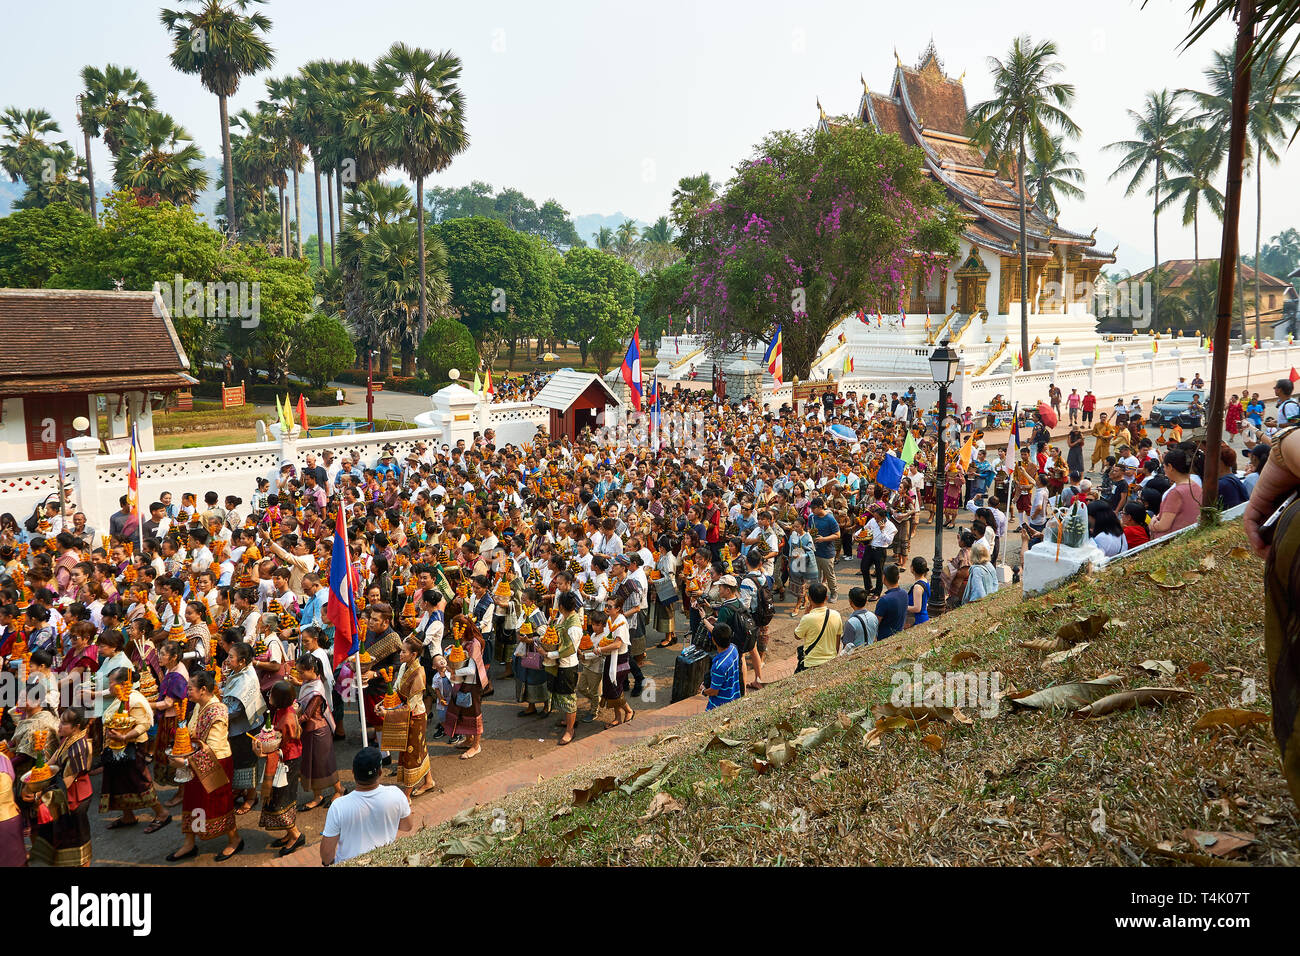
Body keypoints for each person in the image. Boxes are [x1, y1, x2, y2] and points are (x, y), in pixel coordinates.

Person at [167, 670, 243, 862]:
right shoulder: (199, 706)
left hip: (216, 763)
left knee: (218, 802)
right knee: (193, 801)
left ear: (202, 690)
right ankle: (189, 843)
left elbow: (215, 751)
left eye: (190, 688)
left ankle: (234, 839)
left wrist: (185, 761)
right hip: (196, 761)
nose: (186, 692)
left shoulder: (217, 711)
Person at [22, 709, 94, 867]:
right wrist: (37, 775)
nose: (59, 726)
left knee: (78, 841)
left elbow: (66, 782)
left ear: (76, 727)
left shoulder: (78, 748)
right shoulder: (68, 738)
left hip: (75, 798)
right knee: (65, 839)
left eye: (64, 723)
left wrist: (38, 794)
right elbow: (53, 759)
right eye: (60, 721)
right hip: (64, 794)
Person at [319, 747, 412, 866]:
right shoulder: (396, 794)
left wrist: (329, 863)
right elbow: (407, 826)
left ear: (353, 772)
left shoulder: (338, 806)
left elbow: (327, 852)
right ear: (380, 772)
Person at [375, 637, 436, 800]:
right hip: (404, 713)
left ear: (413, 654)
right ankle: (428, 781)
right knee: (418, 750)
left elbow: (410, 706)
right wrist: (384, 702)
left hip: (415, 717)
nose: (400, 654)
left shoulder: (419, 674)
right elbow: (395, 689)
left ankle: (407, 795)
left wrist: (387, 714)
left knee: (411, 753)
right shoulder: (403, 666)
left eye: (403, 651)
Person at [259, 680, 305, 856]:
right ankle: (289, 833)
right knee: (285, 797)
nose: (269, 696)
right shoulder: (285, 711)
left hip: (287, 761)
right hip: (288, 758)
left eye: (271, 694)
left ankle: (296, 834)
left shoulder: (286, 719)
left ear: (278, 699)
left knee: (280, 800)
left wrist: (264, 748)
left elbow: (279, 743)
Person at [295, 654, 343, 811]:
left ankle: (338, 790)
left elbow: (307, 715)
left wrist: (290, 720)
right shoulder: (310, 682)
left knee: (325, 764)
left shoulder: (315, 691)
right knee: (312, 765)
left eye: (301, 672)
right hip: (310, 732)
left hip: (318, 731)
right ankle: (318, 796)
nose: (300, 676)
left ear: (311, 670)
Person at [442, 616, 487, 759]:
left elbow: (471, 670)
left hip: (472, 684)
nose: (455, 631)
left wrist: (452, 671)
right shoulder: (463, 642)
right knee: (462, 711)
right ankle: (468, 740)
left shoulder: (474, 644)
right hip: (461, 683)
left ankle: (476, 745)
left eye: (457, 628)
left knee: (473, 713)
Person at [1150, 447, 1203, 539]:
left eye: (1164, 466)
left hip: (1173, 540)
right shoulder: (1195, 485)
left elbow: (1163, 526)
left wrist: (1152, 523)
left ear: (1170, 467)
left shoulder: (1176, 492)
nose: (1164, 470)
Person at [794, 582, 842, 670]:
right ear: (826, 598)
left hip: (811, 662)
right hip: (830, 660)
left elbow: (797, 636)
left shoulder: (807, 618)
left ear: (809, 599)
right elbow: (837, 639)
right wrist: (834, 655)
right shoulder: (836, 615)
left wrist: (805, 615)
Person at [701, 622, 741, 710]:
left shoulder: (719, 666)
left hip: (719, 706)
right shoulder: (734, 649)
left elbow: (714, 691)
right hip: (733, 697)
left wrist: (703, 691)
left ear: (714, 640)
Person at [874, 565, 908, 640]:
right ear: (898, 577)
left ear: (884, 578)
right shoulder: (904, 593)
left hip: (884, 638)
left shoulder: (884, 600)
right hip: (898, 635)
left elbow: (875, 623)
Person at [906, 556, 930, 628]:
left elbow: (917, 608)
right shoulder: (925, 580)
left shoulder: (917, 587)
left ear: (912, 568)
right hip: (923, 617)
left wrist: (903, 606)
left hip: (918, 620)